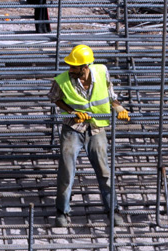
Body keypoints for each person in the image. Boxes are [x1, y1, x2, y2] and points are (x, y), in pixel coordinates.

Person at [49, 44, 130, 227]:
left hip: (96, 127)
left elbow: (110, 96)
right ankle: (62, 211)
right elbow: (55, 98)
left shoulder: (101, 71)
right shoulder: (62, 80)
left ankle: (112, 209)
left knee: (104, 171)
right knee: (66, 171)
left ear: (85, 67)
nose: (70, 69)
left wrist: (118, 107)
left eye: (74, 67)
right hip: (73, 128)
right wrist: (71, 111)